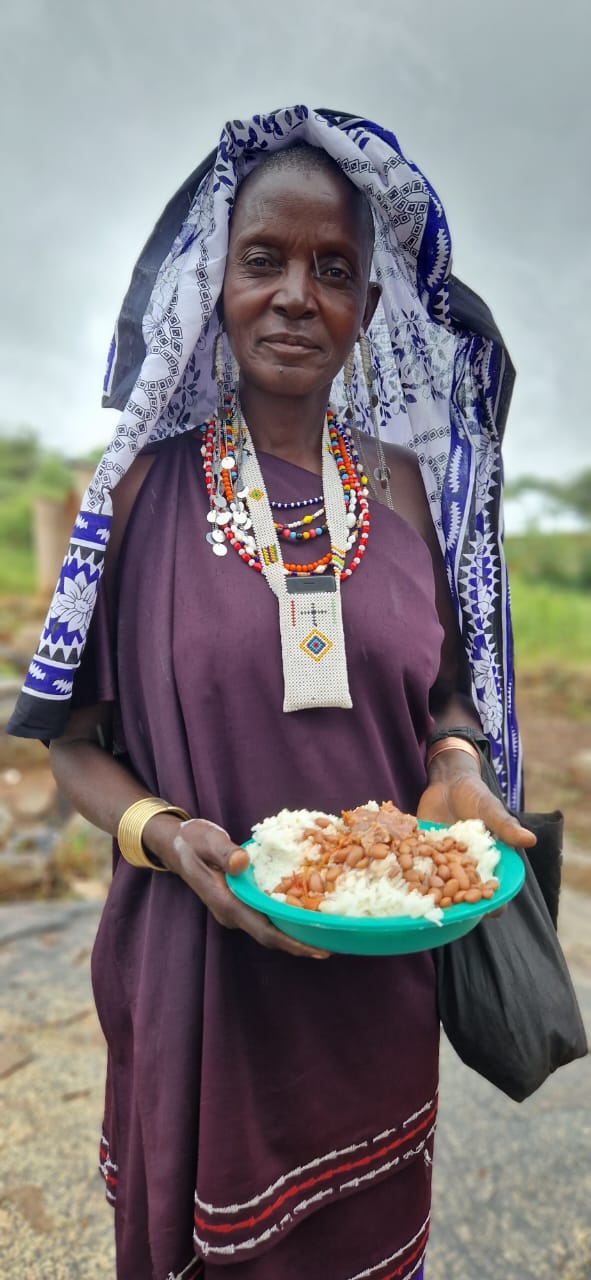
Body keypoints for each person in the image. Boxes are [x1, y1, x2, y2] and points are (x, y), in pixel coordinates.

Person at [8, 107, 536, 1280]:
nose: (298, 294)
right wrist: (165, 833)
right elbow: (74, 743)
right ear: (216, 280)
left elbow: (447, 698)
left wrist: (454, 763)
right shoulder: (142, 493)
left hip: (378, 988)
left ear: (368, 307)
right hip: (197, 978)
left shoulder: (402, 494)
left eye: (333, 270)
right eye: (266, 260)